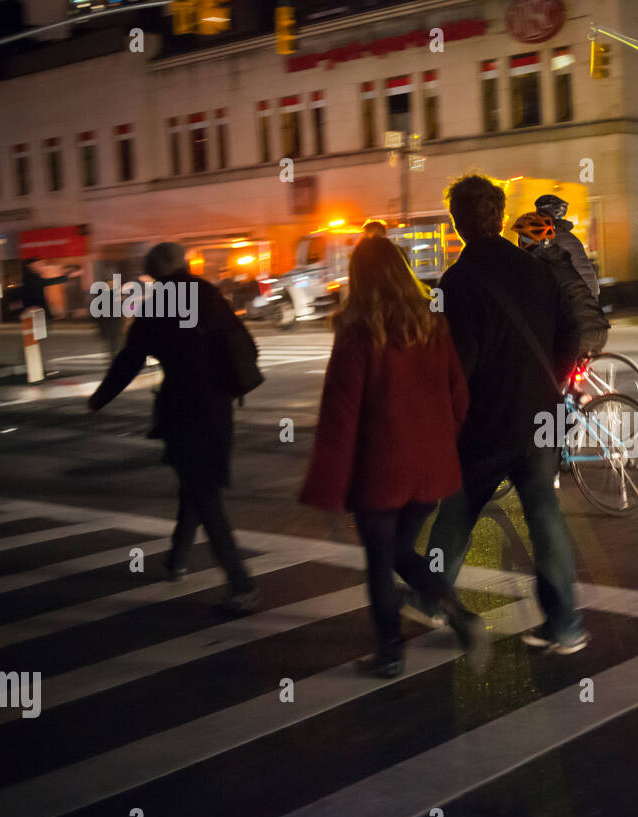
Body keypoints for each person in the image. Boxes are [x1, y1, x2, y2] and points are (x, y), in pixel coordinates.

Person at [299, 237, 479, 677]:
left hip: (380, 470)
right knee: (401, 549)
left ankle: (390, 651)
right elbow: (459, 398)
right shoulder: (432, 325)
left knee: (381, 560)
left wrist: (329, 482)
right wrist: (438, 442)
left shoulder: (359, 332)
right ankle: (459, 615)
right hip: (428, 468)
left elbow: (340, 415)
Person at [426, 174, 588, 655]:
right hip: (542, 411)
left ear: (457, 223)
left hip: (488, 418)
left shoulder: (457, 282)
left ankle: (429, 593)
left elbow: (460, 360)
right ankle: (565, 622)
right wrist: (552, 381)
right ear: (499, 218)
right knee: (544, 510)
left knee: (457, 506)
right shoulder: (537, 270)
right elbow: (573, 332)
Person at [87, 242, 259, 613]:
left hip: (183, 408)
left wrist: (100, 398)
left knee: (203, 493)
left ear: (153, 272)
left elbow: (130, 358)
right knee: (197, 487)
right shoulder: (208, 292)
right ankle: (176, 561)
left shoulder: (160, 302)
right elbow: (244, 343)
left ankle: (240, 582)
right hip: (219, 406)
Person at [512, 212, 609, 357]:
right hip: (599, 328)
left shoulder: (537, 266)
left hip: (578, 335)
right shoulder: (559, 258)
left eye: (522, 237)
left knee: (544, 369)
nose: (519, 242)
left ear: (527, 240)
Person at [534, 194, 599, 299]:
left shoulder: (554, 237)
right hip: (584, 292)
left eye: (539, 213)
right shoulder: (564, 236)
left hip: (579, 295)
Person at [20, 258, 78, 323]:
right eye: (39, 264)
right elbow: (49, 282)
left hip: (37, 309)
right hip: (35, 309)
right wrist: (67, 277)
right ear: (31, 266)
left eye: (41, 264)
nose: (41, 266)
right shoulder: (32, 278)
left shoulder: (33, 277)